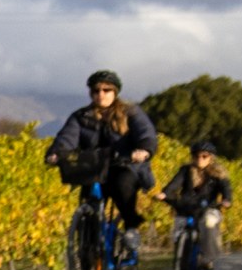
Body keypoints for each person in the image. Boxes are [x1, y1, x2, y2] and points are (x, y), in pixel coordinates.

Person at [46, 71, 158, 250]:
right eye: (96, 90)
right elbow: (67, 138)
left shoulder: (131, 113)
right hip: (94, 168)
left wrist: (144, 150)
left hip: (125, 165)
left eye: (106, 90)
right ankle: (87, 261)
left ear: (115, 92)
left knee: (123, 185)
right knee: (87, 204)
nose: (101, 94)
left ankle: (131, 227)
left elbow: (146, 134)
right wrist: (56, 153)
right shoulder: (81, 117)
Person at [160, 137, 232, 270]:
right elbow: (173, 185)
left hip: (208, 209)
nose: (200, 159)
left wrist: (226, 200)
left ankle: (207, 259)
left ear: (211, 158)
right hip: (187, 209)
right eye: (196, 156)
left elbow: (226, 190)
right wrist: (165, 194)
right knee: (179, 237)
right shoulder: (186, 171)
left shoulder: (218, 174)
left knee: (209, 222)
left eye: (204, 156)